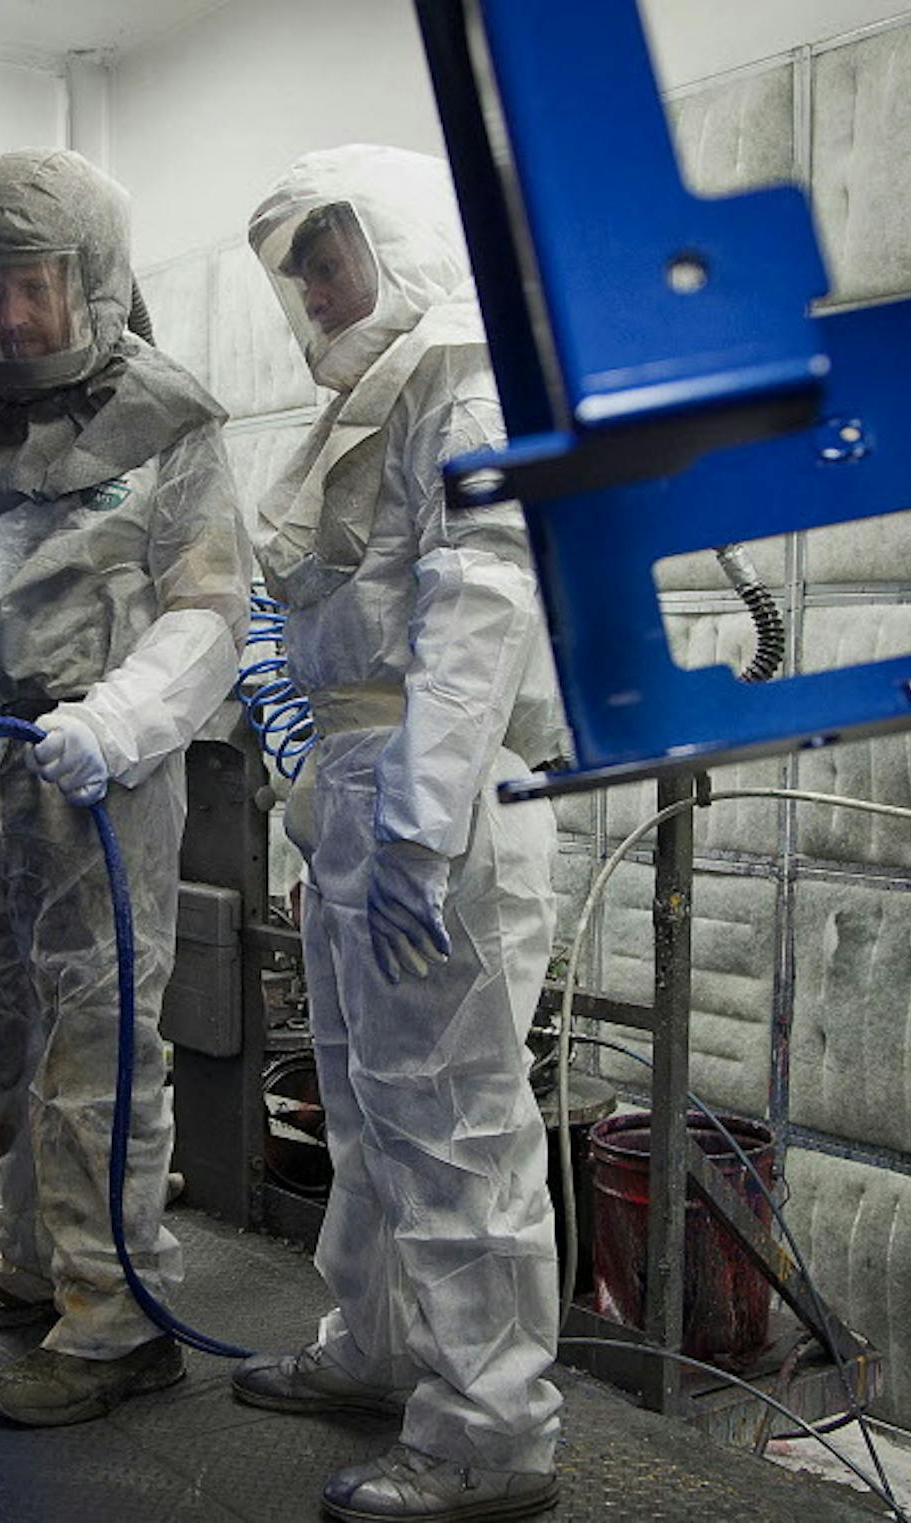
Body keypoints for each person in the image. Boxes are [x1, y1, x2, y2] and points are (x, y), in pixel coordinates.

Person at [230, 145, 567, 1522]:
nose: (316, 284)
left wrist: (420, 834)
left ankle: (493, 1430)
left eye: (334, 252)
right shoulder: (365, 399)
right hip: (361, 797)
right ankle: (373, 1342)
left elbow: (483, 600)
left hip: (441, 793)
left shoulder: (461, 382)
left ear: (405, 240)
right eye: (300, 263)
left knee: (455, 1120)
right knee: (369, 1102)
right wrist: (336, 819)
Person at [0, 148, 252, 1427]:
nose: (4, 316)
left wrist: (118, 719)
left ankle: (116, 1319)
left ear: (92, 277)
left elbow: (213, 609)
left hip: (96, 770)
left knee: (98, 1041)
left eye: (29, 286)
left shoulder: (170, 421)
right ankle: (33, 1262)